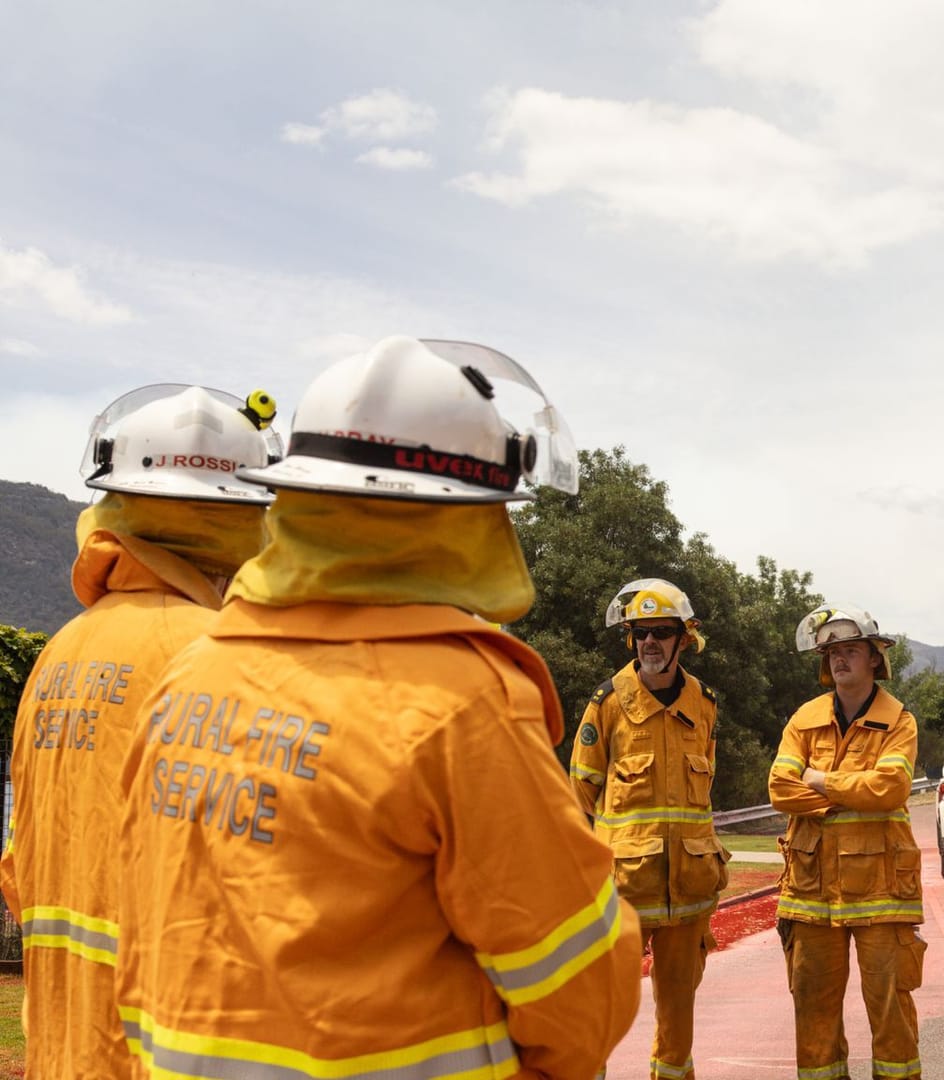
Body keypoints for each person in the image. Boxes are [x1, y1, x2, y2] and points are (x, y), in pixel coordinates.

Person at [114, 337, 641, 1079]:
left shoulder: (191, 675)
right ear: (470, 519)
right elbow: (574, 977)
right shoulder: (462, 703)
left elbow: (145, 916)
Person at [0, 384, 278, 1077]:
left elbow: (18, 866)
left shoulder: (59, 652)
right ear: (250, 521)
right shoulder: (225, 654)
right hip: (164, 1049)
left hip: (65, 1044)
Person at [572, 576, 729, 1080]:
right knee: (601, 1004)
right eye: (641, 633)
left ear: (684, 638)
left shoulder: (704, 705)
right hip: (621, 891)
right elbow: (577, 798)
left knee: (678, 1011)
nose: (650, 643)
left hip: (689, 891)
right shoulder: (607, 703)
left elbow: (704, 790)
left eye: (661, 632)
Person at [769, 603, 926, 1080]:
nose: (841, 660)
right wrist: (835, 796)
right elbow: (779, 788)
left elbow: (891, 789)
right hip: (811, 894)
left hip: (882, 895)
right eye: (833, 651)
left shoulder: (899, 721)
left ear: (875, 658)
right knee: (813, 1014)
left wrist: (818, 779)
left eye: (851, 650)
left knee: (891, 1015)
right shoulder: (804, 718)